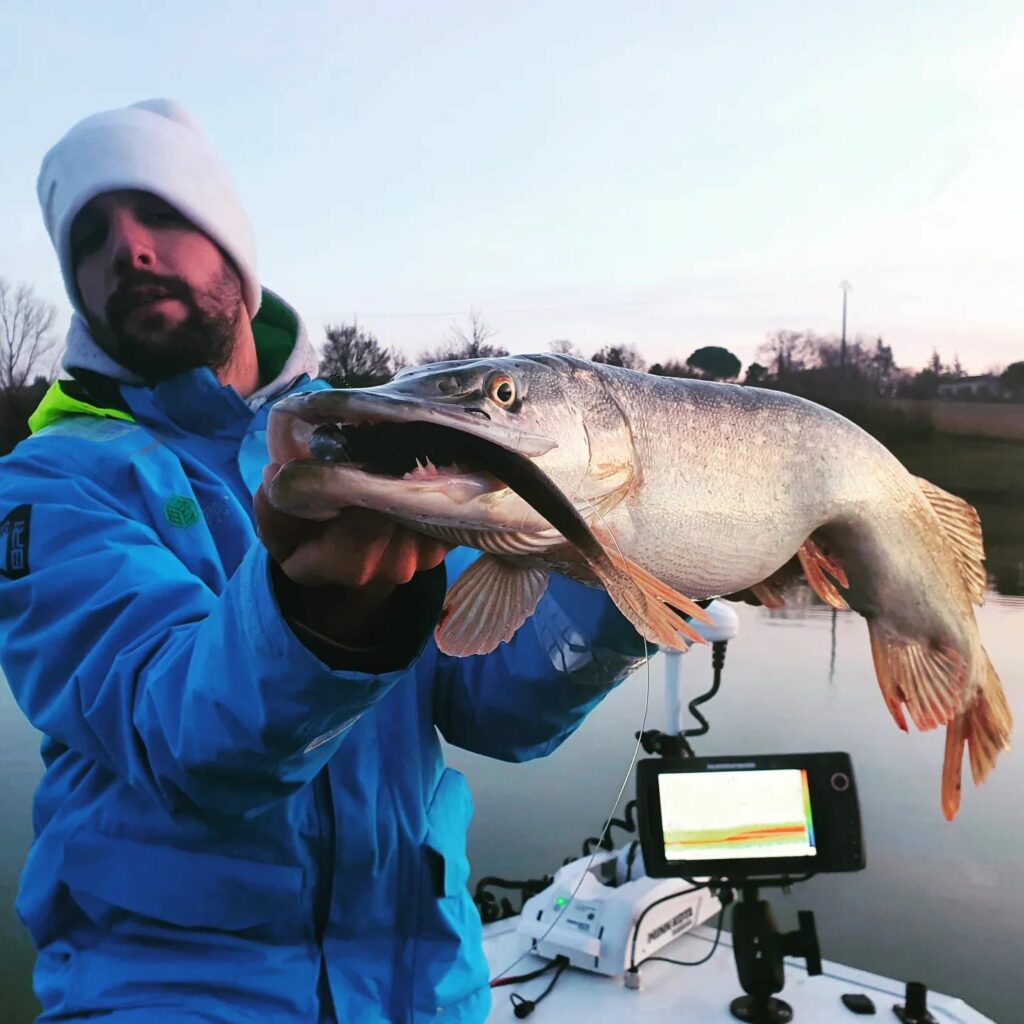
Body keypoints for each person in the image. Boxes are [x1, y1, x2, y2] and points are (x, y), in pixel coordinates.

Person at [0, 99, 653, 1024]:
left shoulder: (380, 433)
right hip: (163, 995)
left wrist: (642, 582)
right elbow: (182, 739)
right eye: (91, 238)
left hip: (428, 990)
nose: (131, 249)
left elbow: (497, 700)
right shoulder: (49, 484)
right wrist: (320, 618)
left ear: (233, 243)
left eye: (161, 213)